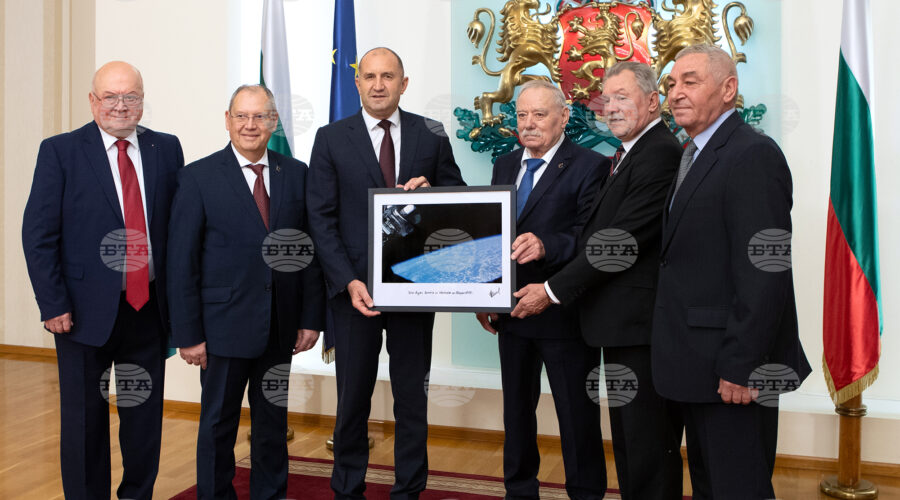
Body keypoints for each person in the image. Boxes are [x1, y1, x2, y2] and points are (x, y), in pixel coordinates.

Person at [512, 62, 685, 499]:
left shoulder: (659, 153)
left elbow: (618, 242)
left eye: (622, 97)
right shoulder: (629, 154)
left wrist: (550, 290)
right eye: (607, 99)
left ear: (653, 102)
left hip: (638, 326)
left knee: (646, 448)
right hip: (616, 323)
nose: (611, 108)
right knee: (631, 446)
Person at [653, 44, 811, 499]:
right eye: (672, 84)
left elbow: (766, 271)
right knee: (710, 487)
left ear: (728, 89)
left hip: (733, 369)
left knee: (738, 488)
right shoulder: (693, 153)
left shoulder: (752, 154)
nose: (676, 93)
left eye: (690, 81)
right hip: (695, 363)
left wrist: (743, 366)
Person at [306, 47, 465, 499]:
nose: (378, 84)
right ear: (357, 83)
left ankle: (409, 490)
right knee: (352, 400)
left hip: (415, 286)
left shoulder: (430, 133)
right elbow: (321, 218)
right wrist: (347, 281)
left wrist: (433, 192)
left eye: (388, 76)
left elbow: (458, 198)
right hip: (354, 293)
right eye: (370, 76)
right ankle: (347, 489)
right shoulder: (330, 138)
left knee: (412, 400)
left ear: (404, 83)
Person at [22, 61, 183, 499]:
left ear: (142, 101)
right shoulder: (60, 151)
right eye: (110, 96)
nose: (121, 105)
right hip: (80, 313)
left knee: (143, 421)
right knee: (84, 422)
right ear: (93, 101)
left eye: (130, 96)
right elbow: (38, 235)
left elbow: (176, 228)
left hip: (147, 310)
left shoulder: (166, 148)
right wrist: (53, 303)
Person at [167, 84, 325, 498]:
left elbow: (309, 252)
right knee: (218, 425)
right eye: (241, 116)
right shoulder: (198, 177)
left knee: (273, 424)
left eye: (259, 116)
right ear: (227, 120)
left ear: (273, 121)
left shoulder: (297, 174)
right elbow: (181, 262)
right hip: (221, 328)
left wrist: (311, 318)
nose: (250, 125)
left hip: (280, 326)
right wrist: (188, 334)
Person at [476, 79, 607, 499]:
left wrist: (547, 244)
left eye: (539, 114)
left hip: (563, 313)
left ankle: (585, 494)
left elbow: (590, 238)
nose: (528, 123)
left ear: (563, 116)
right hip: (512, 313)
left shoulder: (590, 165)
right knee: (516, 414)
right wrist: (485, 294)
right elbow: (493, 234)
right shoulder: (504, 164)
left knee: (576, 416)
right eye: (521, 115)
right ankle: (519, 491)